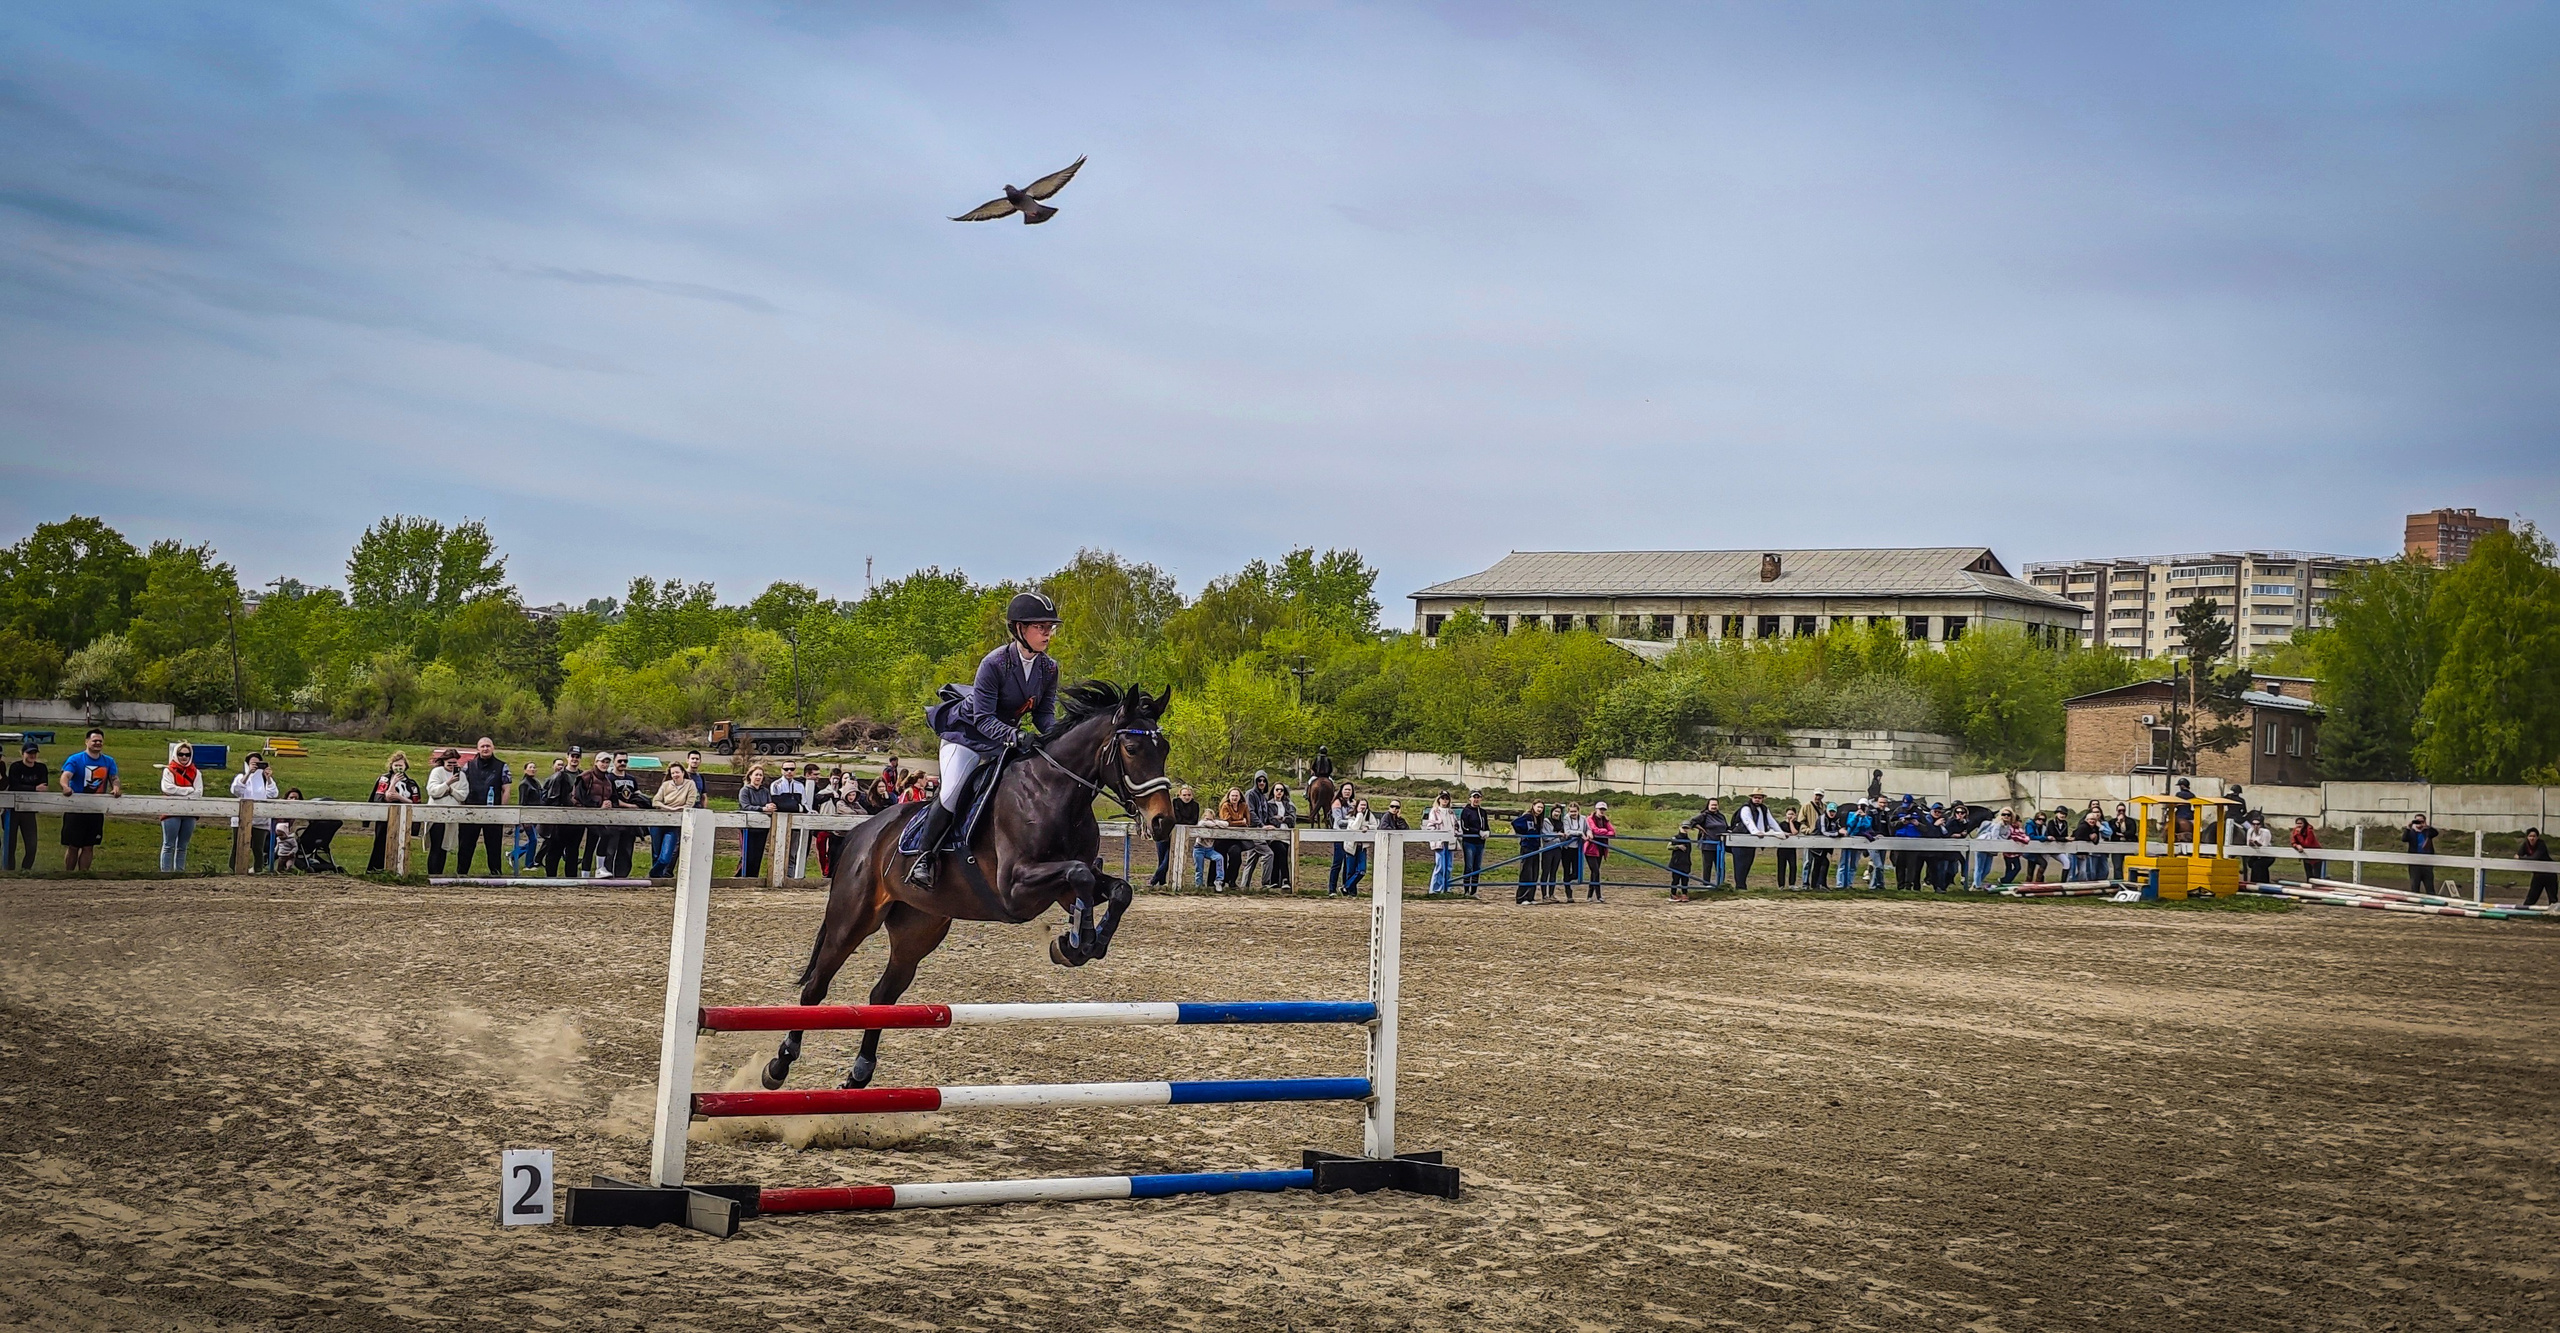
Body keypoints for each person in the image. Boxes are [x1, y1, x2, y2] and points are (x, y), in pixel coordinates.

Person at [913, 591, 1062, 886]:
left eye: (1050, 627)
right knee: (953, 790)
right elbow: (982, 718)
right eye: (1040, 627)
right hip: (967, 736)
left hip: (1003, 740)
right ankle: (924, 857)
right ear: (1019, 629)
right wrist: (1017, 735)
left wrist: (1058, 736)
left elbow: (1044, 715)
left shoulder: (1049, 668)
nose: (1047, 633)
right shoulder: (994, 663)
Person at [58, 728, 121, 871]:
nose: (97, 743)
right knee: (73, 845)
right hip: (76, 807)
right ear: (87, 742)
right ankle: (68, 874)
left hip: (95, 808)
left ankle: (83, 876)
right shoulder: (75, 759)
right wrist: (65, 787)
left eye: (100, 741)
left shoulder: (108, 761)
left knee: (89, 846)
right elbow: (66, 775)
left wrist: (116, 788)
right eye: (94, 740)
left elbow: (114, 778)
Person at [456, 738, 509, 876]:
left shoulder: (502, 766)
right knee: (465, 845)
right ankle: (461, 874)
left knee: (494, 846)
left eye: (488, 746)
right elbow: (461, 787)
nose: (485, 749)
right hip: (470, 811)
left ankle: (496, 874)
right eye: (483, 746)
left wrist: (502, 810)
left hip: (493, 812)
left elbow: (506, 790)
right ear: (478, 748)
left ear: (493, 747)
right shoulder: (468, 766)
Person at [367, 752, 420, 872]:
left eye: (401, 765)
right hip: (386, 817)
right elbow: (386, 797)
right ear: (391, 766)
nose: (398, 768)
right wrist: (393, 783)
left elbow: (415, 802)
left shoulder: (411, 784)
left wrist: (400, 798)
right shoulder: (384, 779)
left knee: (402, 845)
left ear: (406, 766)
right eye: (396, 765)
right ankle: (375, 870)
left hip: (404, 817)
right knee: (381, 844)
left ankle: (398, 870)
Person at [234, 750, 284, 872]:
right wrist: (248, 774)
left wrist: (269, 778)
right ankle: (234, 869)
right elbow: (236, 791)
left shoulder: (264, 780)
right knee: (238, 846)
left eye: (258, 763)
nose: (255, 766)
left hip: (261, 819)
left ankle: (258, 869)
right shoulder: (241, 777)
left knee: (258, 847)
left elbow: (273, 794)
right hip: (241, 818)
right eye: (252, 763)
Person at [158, 740, 203, 873]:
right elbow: (167, 788)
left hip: (189, 813)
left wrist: (180, 793)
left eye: (187, 754)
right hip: (171, 812)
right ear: (175, 754)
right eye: (181, 754)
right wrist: (188, 790)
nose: (184, 757)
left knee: (183, 846)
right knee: (168, 845)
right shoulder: (168, 770)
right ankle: (165, 873)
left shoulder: (196, 772)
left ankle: (180, 872)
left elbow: (199, 793)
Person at [423, 749, 467, 875]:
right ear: (443, 762)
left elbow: (463, 795)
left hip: (452, 814)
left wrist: (451, 791)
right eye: (449, 763)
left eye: (454, 763)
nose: (452, 766)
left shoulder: (461, 775)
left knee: (444, 846)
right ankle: (432, 874)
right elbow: (433, 791)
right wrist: (448, 783)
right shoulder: (437, 772)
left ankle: (439, 874)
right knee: (436, 846)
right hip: (436, 813)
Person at [7, 740, 49, 870]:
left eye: (34, 753)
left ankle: (26, 870)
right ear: (22, 753)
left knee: (31, 845)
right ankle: (9, 870)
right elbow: (14, 785)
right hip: (13, 809)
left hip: (29, 809)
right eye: (29, 753)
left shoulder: (41, 768)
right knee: (10, 844)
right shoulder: (15, 767)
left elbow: (44, 785)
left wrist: (30, 788)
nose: (32, 755)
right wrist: (34, 788)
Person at [651, 762, 698, 876]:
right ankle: (658, 878)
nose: (675, 775)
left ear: (683, 772)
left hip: (674, 823)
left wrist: (678, 808)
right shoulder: (666, 785)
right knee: (656, 854)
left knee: (665, 857)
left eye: (677, 772)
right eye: (672, 773)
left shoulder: (690, 784)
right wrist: (668, 808)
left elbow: (690, 804)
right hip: (659, 821)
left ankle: (653, 874)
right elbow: (655, 801)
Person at [1731, 793, 1779, 891]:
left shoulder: (1764, 809)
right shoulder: (1746, 808)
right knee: (1740, 864)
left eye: (1759, 798)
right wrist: (1756, 832)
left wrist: (1780, 832)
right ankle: (1740, 887)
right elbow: (1748, 822)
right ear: (1751, 798)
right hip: (1741, 839)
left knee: (1747, 863)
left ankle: (1742, 886)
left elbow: (1771, 822)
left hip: (1753, 841)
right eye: (1755, 798)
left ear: (1763, 799)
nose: (1757, 800)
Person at [537, 757, 577, 877]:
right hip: (558, 820)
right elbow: (549, 798)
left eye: (577, 756)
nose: (575, 759)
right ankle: (551, 877)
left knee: (572, 852)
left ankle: (571, 877)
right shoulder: (557, 777)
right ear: (568, 757)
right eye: (573, 756)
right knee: (555, 850)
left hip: (575, 819)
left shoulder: (582, 776)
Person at [1154, 784, 1198, 887]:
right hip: (1165, 832)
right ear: (1179, 795)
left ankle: (1154, 879)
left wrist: (1183, 822)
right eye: (1184, 795)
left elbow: (1194, 821)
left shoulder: (1195, 805)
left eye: (1189, 795)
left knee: (1169, 857)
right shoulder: (1174, 803)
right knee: (1162, 858)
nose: (1187, 797)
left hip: (1179, 835)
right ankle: (1161, 881)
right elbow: (1176, 818)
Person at [737, 763, 773, 878]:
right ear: (750, 776)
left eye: (760, 775)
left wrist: (770, 807)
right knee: (747, 855)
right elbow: (745, 806)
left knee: (758, 855)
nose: (758, 777)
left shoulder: (765, 791)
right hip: (748, 827)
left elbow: (768, 804)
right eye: (756, 775)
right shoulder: (745, 791)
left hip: (762, 828)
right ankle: (740, 877)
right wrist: (762, 808)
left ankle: (753, 878)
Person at [1688, 798, 1729, 891]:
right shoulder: (1704, 815)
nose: (1714, 807)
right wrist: (1701, 829)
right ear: (1708, 805)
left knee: (1720, 865)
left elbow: (1726, 827)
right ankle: (1706, 884)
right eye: (1712, 805)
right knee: (1707, 865)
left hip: (1720, 845)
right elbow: (1692, 822)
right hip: (1708, 844)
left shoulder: (1721, 816)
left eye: (1716, 805)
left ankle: (1721, 883)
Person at [1339, 797, 1377, 894]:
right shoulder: (1351, 816)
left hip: (1362, 847)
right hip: (1351, 846)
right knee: (1350, 871)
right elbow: (1354, 827)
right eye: (1361, 805)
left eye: (1365, 805)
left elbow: (1375, 825)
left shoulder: (1369, 815)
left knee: (1361, 871)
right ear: (1357, 806)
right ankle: (1352, 893)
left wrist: (1367, 827)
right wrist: (1359, 815)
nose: (1363, 807)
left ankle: (1346, 887)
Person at [1422, 792, 1458, 894]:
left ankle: (1447, 887)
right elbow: (1431, 826)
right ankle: (1435, 889)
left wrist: (1456, 834)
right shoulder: (1434, 811)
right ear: (1439, 800)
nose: (1445, 800)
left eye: (1447, 798)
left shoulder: (1451, 812)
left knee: (1449, 866)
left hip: (1450, 842)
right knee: (1440, 866)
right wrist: (1435, 837)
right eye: (1443, 798)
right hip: (1440, 842)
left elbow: (1456, 825)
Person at [1457, 790, 1488, 895]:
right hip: (1469, 842)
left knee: (1477, 867)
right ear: (1470, 799)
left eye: (1478, 797)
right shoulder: (1466, 811)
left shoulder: (1483, 812)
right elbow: (1465, 826)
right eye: (1474, 797)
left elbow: (1485, 824)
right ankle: (1466, 890)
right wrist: (1477, 831)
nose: (1476, 799)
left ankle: (1474, 891)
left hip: (1480, 842)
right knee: (1469, 866)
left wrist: (1487, 831)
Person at [1513, 801, 1544, 904]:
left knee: (1534, 872)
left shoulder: (1538, 819)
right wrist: (1524, 834)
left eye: (1541, 808)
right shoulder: (1528, 816)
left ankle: (1530, 897)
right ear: (1533, 806)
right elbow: (1515, 823)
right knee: (1526, 872)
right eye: (1538, 807)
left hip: (1535, 847)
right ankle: (1522, 897)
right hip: (1527, 847)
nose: (1540, 809)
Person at [2400, 814, 2441, 892]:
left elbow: (2435, 833)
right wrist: (2408, 827)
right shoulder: (2411, 832)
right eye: (2417, 821)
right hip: (2415, 863)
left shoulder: (2427, 832)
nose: (2419, 823)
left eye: (2421, 821)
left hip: (2427, 862)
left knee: (2429, 887)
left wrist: (2426, 826)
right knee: (2415, 886)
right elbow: (2404, 839)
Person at [1583, 801, 1614, 902]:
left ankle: (1590, 895)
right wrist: (1605, 831)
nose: (1602, 811)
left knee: (1594, 872)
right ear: (1596, 809)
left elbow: (1613, 832)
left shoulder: (1605, 820)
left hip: (1601, 849)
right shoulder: (1590, 819)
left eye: (1603, 809)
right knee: (1596, 871)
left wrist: (1603, 831)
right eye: (1600, 809)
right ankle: (1598, 895)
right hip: (1591, 848)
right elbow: (1594, 830)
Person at [2520, 829, 2555, 909]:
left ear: (2537, 838)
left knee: (2552, 898)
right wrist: (2520, 856)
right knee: (2531, 898)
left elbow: (2535, 857)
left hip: (2549, 874)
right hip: (2538, 875)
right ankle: (2523, 912)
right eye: (2530, 836)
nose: (2532, 838)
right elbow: (2518, 854)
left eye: (2534, 836)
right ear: (2527, 837)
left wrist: (2521, 858)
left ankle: (2554, 915)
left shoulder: (2541, 844)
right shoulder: (2525, 845)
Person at [2242, 812, 2275, 885]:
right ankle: (2254, 882)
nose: (2255, 826)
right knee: (2252, 864)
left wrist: (2257, 843)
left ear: (2260, 825)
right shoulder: (2250, 831)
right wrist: (2251, 843)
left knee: (2258, 865)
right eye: (2253, 824)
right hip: (2256, 854)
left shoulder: (2266, 832)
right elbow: (2248, 843)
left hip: (2267, 855)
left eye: (2257, 824)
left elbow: (2265, 846)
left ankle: (2262, 882)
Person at [2290, 817, 2325, 882]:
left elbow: (2307, 843)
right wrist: (2297, 845)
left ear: (2304, 824)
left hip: (2315, 854)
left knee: (2316, 875)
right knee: (2309, 875)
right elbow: (2292, 842)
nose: (2299, 825)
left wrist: (2299, 834)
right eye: (2297, 823)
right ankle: (2309, 886)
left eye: (2301, 823)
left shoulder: (2309, 830)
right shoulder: (2295, 830)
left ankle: (2317, 888)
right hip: (2305, 854)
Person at [1668, 825, 1694, 899]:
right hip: (1676, 862)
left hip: (1686, 862)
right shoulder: (1675, 838)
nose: (1685, 830)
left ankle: (1684, 894)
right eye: (1683, 828)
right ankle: (1673, 893)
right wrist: (1678, 846)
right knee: (1675, 879)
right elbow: (1669, 847)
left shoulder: (1688, 839)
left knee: (1685, 880)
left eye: (1687, 828)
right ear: (1679, 828)